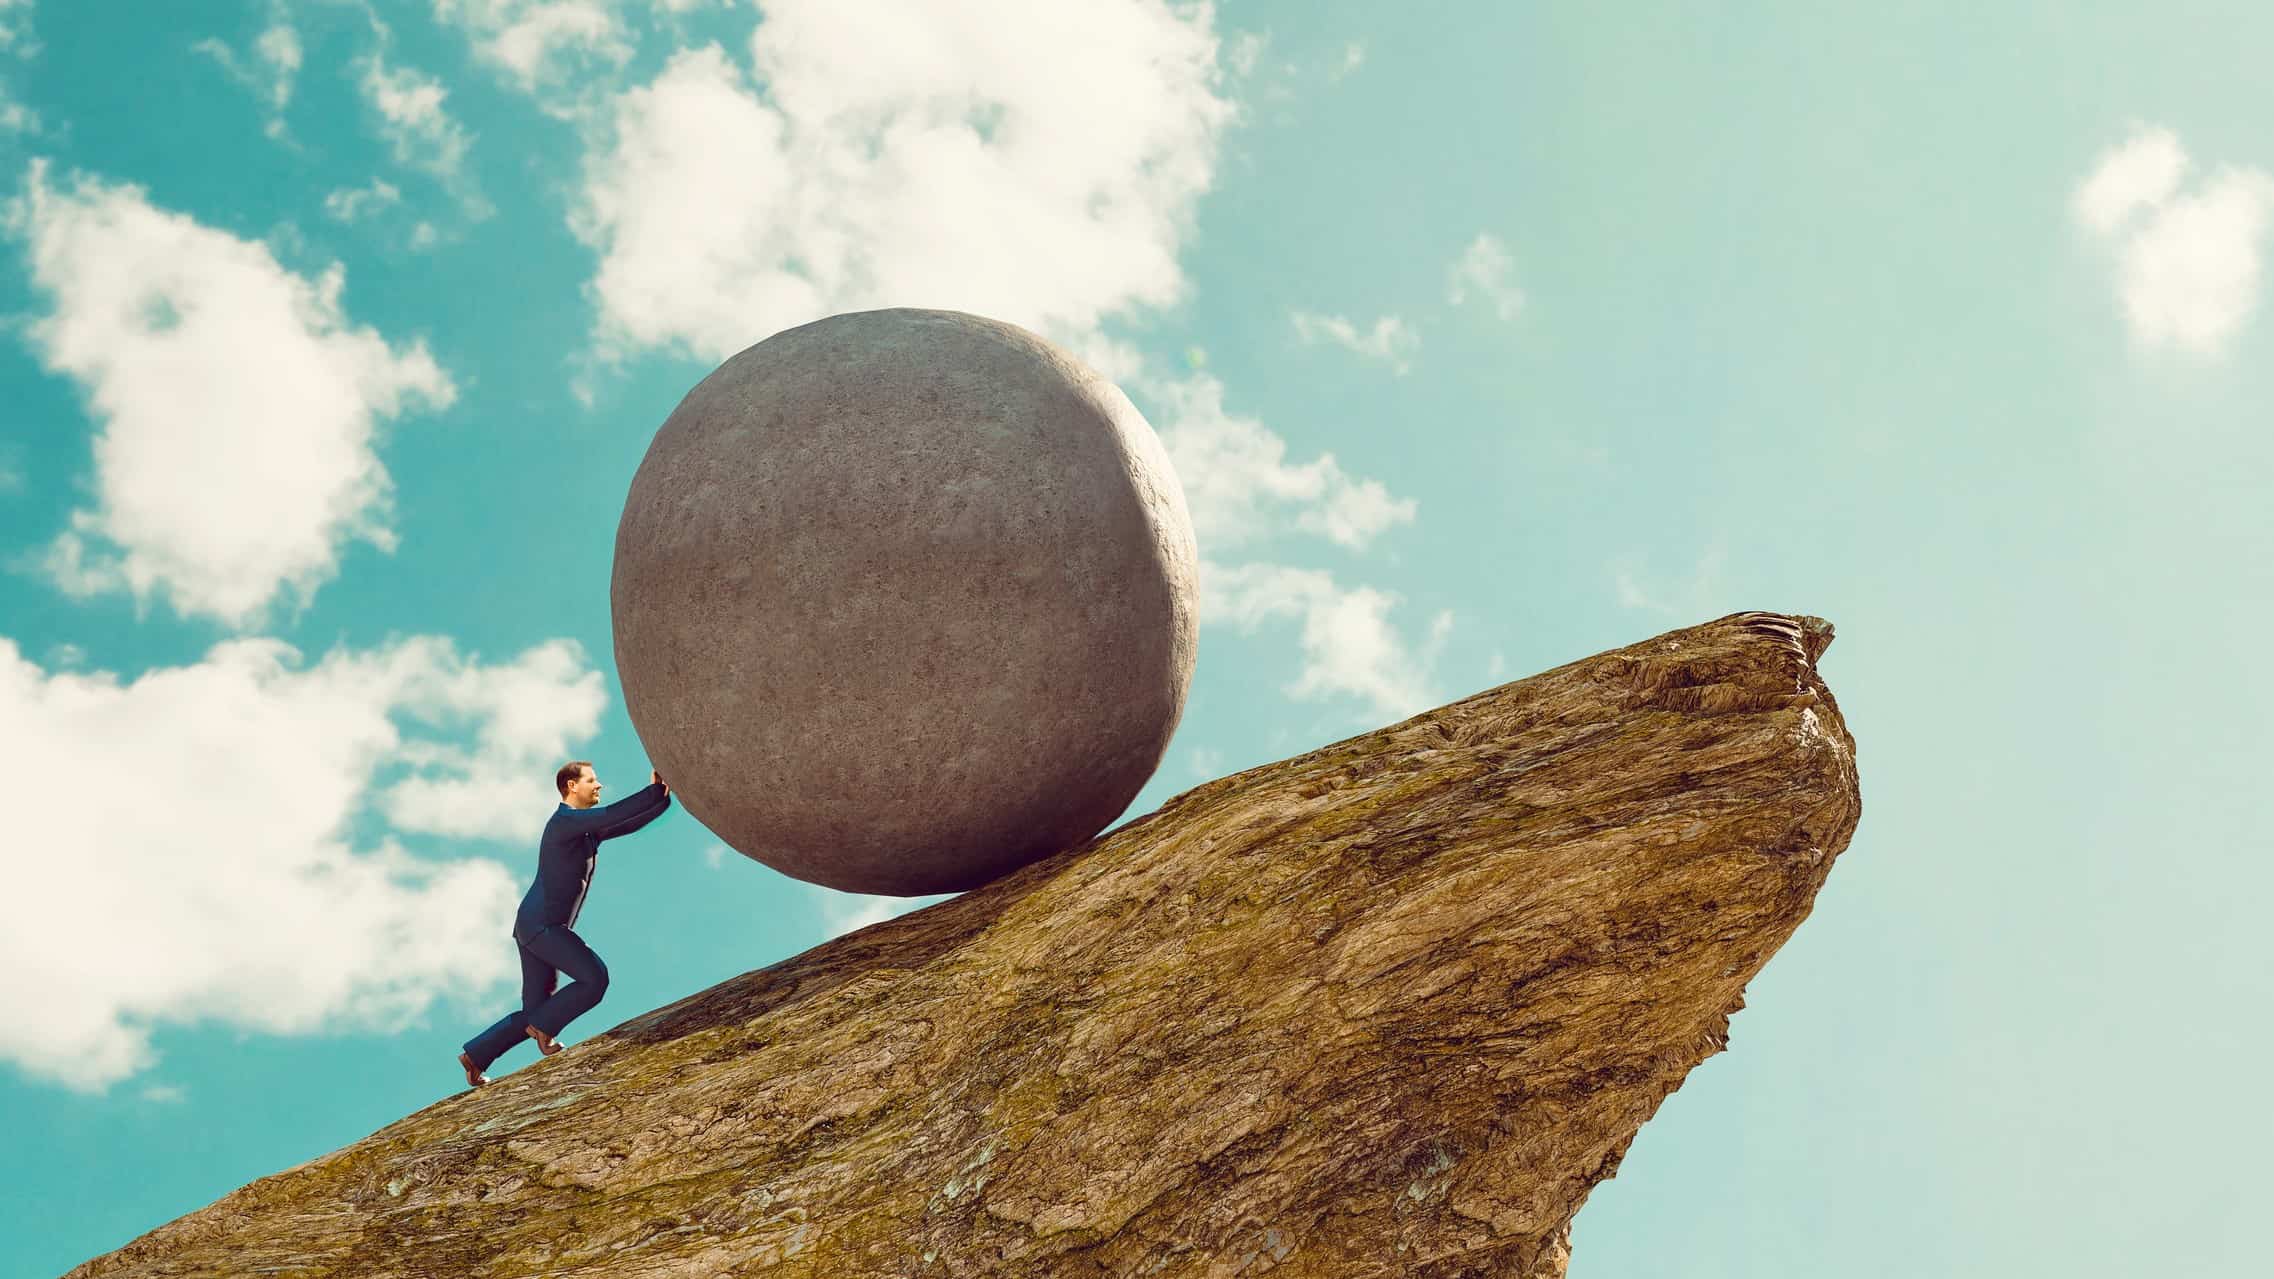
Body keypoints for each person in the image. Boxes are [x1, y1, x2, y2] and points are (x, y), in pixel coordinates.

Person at [457, 760, 673, 1088]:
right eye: (592, 780)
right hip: (543, 926)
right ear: (572, 786)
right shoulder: (563, 823)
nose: (598, 785)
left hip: (532, 925)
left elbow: (623, 824)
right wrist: (653, 790)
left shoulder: (584, 833)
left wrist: (663, 799)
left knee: (537, 1010)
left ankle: (475, 1056)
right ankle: (545, 1031)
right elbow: (611, 814)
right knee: (594, 979)